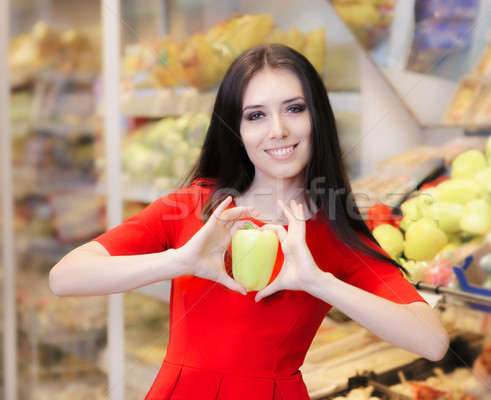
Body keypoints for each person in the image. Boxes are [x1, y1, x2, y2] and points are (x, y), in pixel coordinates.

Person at [49, 43, 449, 399]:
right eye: (255, 115)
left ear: (317, 119)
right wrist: (179, 262)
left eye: (294, 109)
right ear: (236, 129)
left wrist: (318, 282)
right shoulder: (193, 208)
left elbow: (432, 341)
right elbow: (65, 277)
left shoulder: (334, 231)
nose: (278, 130)